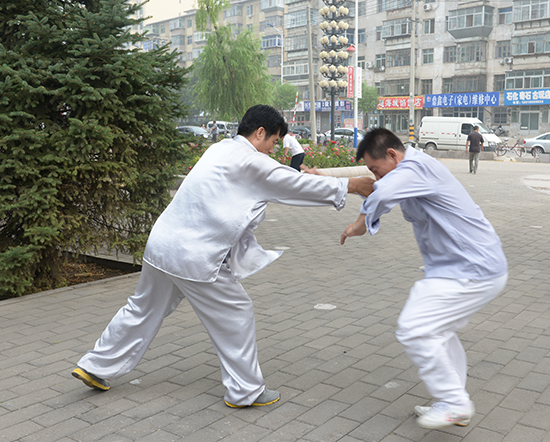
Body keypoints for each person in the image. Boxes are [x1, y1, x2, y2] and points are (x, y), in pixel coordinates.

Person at [71, 105, 374, 409]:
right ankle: (245, 391)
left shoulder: (220, 148)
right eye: (272, 142)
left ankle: (95, 366)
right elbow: (293, 184)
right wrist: (351, 185)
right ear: (259, 133)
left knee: (141, 309)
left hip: (162, 245)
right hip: (195, 255)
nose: (271, 150)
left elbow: (278, 180)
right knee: (236, 314)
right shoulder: (250, 160)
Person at [340, 128, 507, 430]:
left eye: (375, 169)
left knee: (414, 328)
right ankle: (452, 400)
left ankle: (455, 403)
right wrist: (364, 209)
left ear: (392, 155)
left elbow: (385, 193)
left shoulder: (415, 167)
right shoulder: (410, 171)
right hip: (459, 268)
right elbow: (387, 192)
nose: (376, 177)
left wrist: (359, 217)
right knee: (439, 332)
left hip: (472, 267)